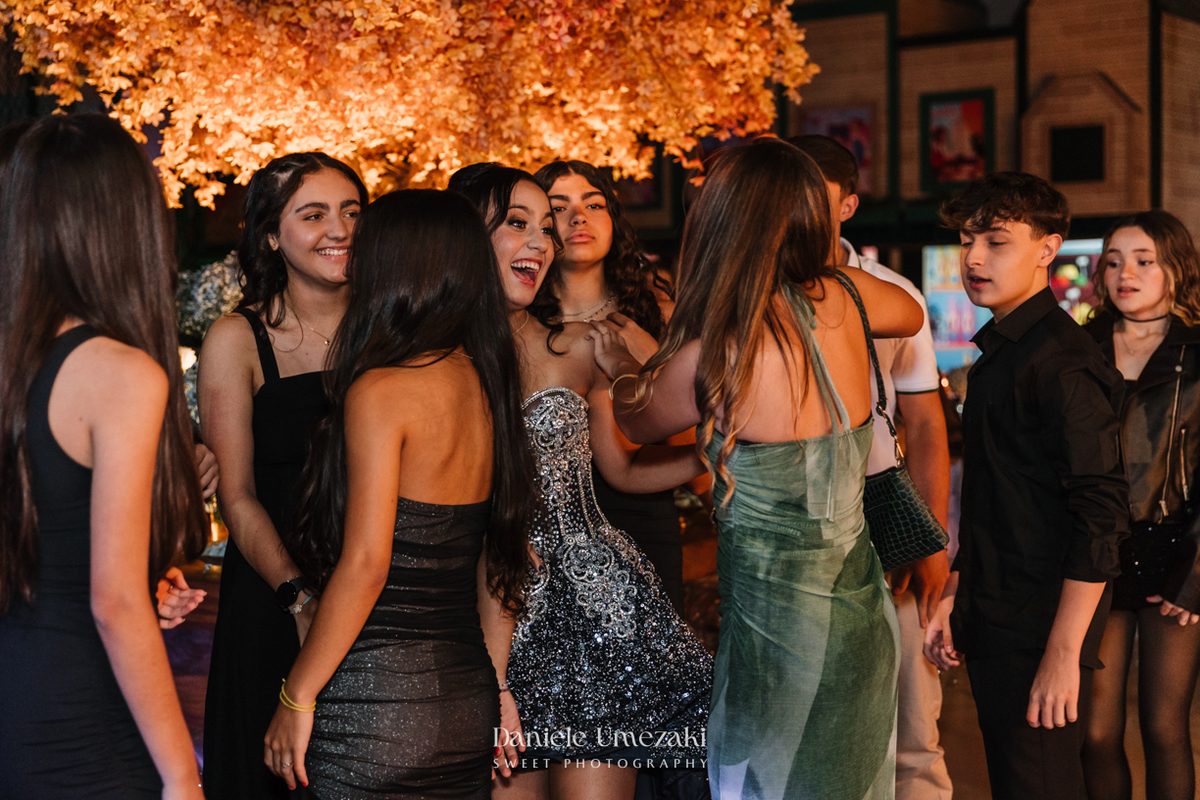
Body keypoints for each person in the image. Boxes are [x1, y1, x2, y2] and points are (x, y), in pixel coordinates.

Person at [591, 138, 924, 800]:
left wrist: (620, 365)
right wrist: (827, 275)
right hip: (860, 619)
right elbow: (911, 312)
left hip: (776, 645)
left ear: (720, 222)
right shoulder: (852, 296)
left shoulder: (716, 355)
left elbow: (634, 423)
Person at [449, 163, 713, 800]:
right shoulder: (427, 359)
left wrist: (712, 456)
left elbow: (623, 464)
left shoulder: (580, 346)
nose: (543, 241)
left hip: (590, 605)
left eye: (547, 227)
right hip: (473, 609)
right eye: (520, 224)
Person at [261, 189, 534, 798]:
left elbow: (366, 564)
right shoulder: (488, 384)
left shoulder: (383, 390)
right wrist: (496, 688)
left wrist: (296, 694)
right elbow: (503, 562)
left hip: (375, 703)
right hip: (465, 698)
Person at [0, 114, 206, 798]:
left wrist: (147, 581)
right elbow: (113, 602)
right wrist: (182, 777)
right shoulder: (119, 372)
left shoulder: (14, 364)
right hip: (79, 711)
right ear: (127, 221)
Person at [923, 173, 1130, 800]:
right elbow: (997, 498)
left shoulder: (1063, 362)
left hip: (1041, 627)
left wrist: (1064, 653)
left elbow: (1101, 515)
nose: (975, 257)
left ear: (1048, 248)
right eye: (967, 240)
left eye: (997, 240)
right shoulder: (999, 355)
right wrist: (959, 588)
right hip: (994, 609)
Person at [199, 152, 367, 798]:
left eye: (353, 212)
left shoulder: (389, 328)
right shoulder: (237, 340)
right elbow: (235, 498)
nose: (340, 229)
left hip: (378, 590)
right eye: (315, 214)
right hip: (274, 598)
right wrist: (298, 600)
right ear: (271, 234)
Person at [790, 134, 953, 800]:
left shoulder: (890, 293)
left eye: (814, 197)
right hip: (797, 526)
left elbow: (926, 427)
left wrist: (934, 539)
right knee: (825, 725)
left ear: (848, 204)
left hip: (884, 510)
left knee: (913, 724)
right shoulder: (756, 290)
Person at [533, 160, 688, 614]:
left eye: (593, 204)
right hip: (547, 532)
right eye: (559, 208)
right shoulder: (520, 321)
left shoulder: (660, 314)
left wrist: (655, 363)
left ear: (612, 220)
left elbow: (694, 437)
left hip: (646, 515)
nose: (578, 217)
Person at [1081, 211, 1200, 800]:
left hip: (1174, 553)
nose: (1124, 273)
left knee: (1163, 728)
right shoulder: (1079, 349)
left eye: (1143, 260)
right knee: (1096, 733)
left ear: (1176, 268)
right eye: (1113, 261)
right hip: (1095, 553)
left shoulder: (1199, 353)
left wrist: (1196, 577)